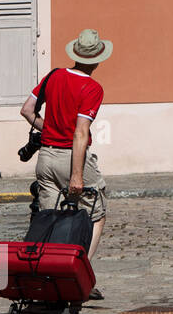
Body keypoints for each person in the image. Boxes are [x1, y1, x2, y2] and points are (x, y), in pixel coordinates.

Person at [20, 29, 112, 296]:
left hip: (45, 157)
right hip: (69, 157)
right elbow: (80, 133)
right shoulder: (92, 88)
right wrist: (76, 175)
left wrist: (47, 128)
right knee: (97, 212)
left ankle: (44, 278)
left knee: (47, 218)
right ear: (97, 60)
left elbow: (26, 110)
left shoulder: (54, 75)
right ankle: (82, 275)